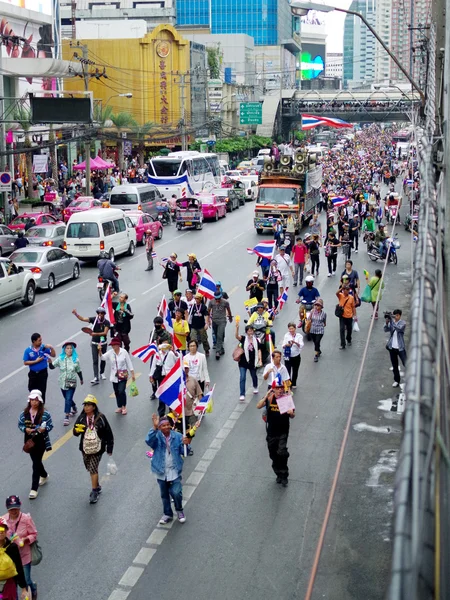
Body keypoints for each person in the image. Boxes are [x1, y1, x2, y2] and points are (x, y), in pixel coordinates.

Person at [145, 413, 190, 524]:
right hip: (161, 470)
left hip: (174, 469)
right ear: (160, 427)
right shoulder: (157, 436)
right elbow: (148, 441)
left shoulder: (177, 436)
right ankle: (167, 514)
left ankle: (179, 510)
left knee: (176, 492)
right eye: (163, 425)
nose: (166, 427)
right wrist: (154, 428)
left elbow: (185, 452)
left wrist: (186, 444)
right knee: (164, 494)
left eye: (167, 425)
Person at [73, 395, 114, 504]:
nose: (86, 407)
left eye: (89, 405)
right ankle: (97, 485)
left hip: (98, 448)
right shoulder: (81, 418)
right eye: (85, 405)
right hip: (85, 448)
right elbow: (75, 432)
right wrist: (77, 430)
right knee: (89, 467)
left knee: (93, 469)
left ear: (94, 407)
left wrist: (109, 448)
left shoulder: (101, 418)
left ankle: (94, 491)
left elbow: (108, 433)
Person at [256, 380, 295, 487]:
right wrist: (265, 396)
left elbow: (292, 415)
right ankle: (278, 473)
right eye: (277, 388)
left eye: (281, 387)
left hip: (283, 431)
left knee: (282, 452)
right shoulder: (270, 398)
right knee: (273, 454)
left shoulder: (286, 399)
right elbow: (258, 406)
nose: (280, 389)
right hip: (271, 432)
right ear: (273, 389)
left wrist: (291, 413)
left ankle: (284, 474)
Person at [18, 390, 53, 499]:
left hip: (41, 441)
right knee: (36, 461)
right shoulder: (24, 414)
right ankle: (44, 475)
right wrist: (26, 429)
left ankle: (34, 488)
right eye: (32, 400)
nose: (34, 402)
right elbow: (20, 425)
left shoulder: (45, 414)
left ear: (40, 401)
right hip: (30, 441)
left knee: (36, 463)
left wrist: (44, 429)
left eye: (36, 400)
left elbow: (50, 426)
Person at [2, 495, 38, 600]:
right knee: (13, 582)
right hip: (10, 557)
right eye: (11, 509)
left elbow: (34, 534)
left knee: (26, 580)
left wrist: (25, 540)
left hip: (24, 555)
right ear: (7, 508)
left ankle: (33, 588)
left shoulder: (26, 519)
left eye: (16, 508)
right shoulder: (3, 520)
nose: (14, 511)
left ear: (20, 506)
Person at [72, 307, 110, 385]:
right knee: (95, 360)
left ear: (104, 314)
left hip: (103, 343)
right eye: (98, 313)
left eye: (101, 313)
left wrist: (94, 334)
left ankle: (102, 372)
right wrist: (76, 314)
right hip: (94, 343)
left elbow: (105, 333)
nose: (100, 314)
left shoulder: (107, 322)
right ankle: (96, 376)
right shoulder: (94, 320)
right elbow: (83, 319)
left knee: (103, 358)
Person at [48, 341, 83, 426]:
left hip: (71, 381)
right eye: (67, 348)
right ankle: (74, 407)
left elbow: (78, 370)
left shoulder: (76, 360)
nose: (69, 350)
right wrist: (49, 362)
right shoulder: (60, 359)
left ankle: (67, 416)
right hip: (62, 382)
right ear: (64, 350)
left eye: (71, 348)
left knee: (68, 398)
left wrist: (81, 379)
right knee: (67, 398)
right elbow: (52, 367)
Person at [98, 337, 135, 415]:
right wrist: (100, 350)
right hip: (114, 376)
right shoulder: (110, 352)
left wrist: (132, 373)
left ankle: (124, 406)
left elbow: (129, 362)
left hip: (123, 375)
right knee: (117, 392)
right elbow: (103, 358)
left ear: (118, 345)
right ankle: (119, 406)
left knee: (121, 391)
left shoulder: (124, 352)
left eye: (115, 345)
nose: (113, 346)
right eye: (112, 345)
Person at [0, 518, 28, 600]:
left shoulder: (12, 548)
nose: (1, 531)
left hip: (10, 584)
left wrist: (23, 588)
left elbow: (19, 567)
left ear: (6, 531)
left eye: (3, 529)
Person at [23, 333, 55, 403]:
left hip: (43, 373)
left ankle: (41, 407)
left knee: (42, 390)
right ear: (34, 341)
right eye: (39, 340)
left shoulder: (44, 347)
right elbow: (25, 362)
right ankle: (32, 404)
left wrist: (51, 348)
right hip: (33, 374)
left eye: (41, 340)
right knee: (32, 390)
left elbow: (53, 355)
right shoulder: (28, 350)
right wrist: (36, 361)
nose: (41, 342)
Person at [235, 323, 262, 401]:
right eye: (248, 331)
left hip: (253, 362)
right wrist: (237, 328)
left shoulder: (256, 340)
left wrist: (260, 360)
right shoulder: (243, 339)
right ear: (246, 332)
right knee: (242, 377)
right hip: (243, 362)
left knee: (254, 375)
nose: (250, 332)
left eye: (251, 331)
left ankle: (255, 386)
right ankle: (242, 394)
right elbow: (237, 336)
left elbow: (259, 350)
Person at [150, 342, 178, 414]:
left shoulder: (171, 354)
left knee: (171, 394)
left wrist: (175, 353)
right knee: (161, 395)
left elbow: (177, 360)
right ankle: (161, 413)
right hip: (161, 377)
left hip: (169, 377)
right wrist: (151, 376)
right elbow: (153, 365)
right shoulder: (157, 354)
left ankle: (171, 411)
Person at [384, 309, 407, 387]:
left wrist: (391, 321)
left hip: (400, 348)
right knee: (394, 365)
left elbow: (399, 328)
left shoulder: (402, 323)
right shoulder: (392, 322)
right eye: (394, 315)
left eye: (397, 315)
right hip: (392, 347)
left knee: (406, 363)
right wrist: (387, 323)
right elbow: (385, 329)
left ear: (400, 316)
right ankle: (396, 380)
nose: (395, 317)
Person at [208, 291, 233, 360]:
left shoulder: (225, 302)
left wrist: (230, 317)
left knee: (219, 335)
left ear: (221, 297)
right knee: (216, 335)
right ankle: (221, 349)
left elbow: (229, 310)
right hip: (214, 321)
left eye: (218, 299)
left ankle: (218, 351)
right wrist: (208, 321)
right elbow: (208, 311)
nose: (217, 300)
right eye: (216, 299)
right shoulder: (211, 302)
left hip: (222, 321)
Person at [282, 323, 304, 389]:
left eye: (292, 328)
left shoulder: (299, 336)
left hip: (296, 356)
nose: (291, 330)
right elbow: (283, 345)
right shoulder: (286, 335)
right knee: (287, 370)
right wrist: (286, 345)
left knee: (295, 370)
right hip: (288, 356)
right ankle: (289, 384)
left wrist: (295, 342)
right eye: (290, 329)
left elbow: (301, 345)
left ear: (295, 328)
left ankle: (294, 383)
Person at [336, 285, 356, 349]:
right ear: (343, 290)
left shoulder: (351, 298)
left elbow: (353, 307)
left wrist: (354, 315)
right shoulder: (341, 296)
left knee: (349, 329)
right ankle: (343, 344)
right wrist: (341, 287)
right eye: (346, 289)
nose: (347, 291)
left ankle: (349, 339)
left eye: (348, 290)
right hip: (342, 316)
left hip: (349, 316)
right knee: (342, 330)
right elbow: (336, 293)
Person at [310, 298, 327, 362]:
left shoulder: (324, 314)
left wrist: (322, 325)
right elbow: (309, 319)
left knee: (317, 342)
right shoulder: (312, 312)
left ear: (321, 307)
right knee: (315, 342)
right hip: (312, 330)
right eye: (316, 305)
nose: (316, 307)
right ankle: (318, 350)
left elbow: (324, 322)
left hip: (320, 330)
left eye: (318, 305)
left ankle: (316, 355)